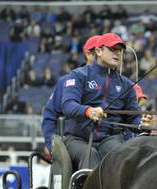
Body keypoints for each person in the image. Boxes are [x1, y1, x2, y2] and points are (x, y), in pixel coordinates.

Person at [59, 33, 151, 170]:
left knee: (121, 154)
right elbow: (67, 105)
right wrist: (88, 111)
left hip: (110, 138)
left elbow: (133, 119)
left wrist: (143, 125)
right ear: (99, 51)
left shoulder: (126, 85)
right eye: (112, 49)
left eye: (119, 50)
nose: (117, 53)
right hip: (78, 138)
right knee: (90, 155)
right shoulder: (78, 75)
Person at [41, 34, 102, 156]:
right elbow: (50, 114)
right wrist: (51, 143)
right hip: (78, 141)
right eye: (98, 52)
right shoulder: (67, 80)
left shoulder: (114, 81)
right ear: (88, 54)